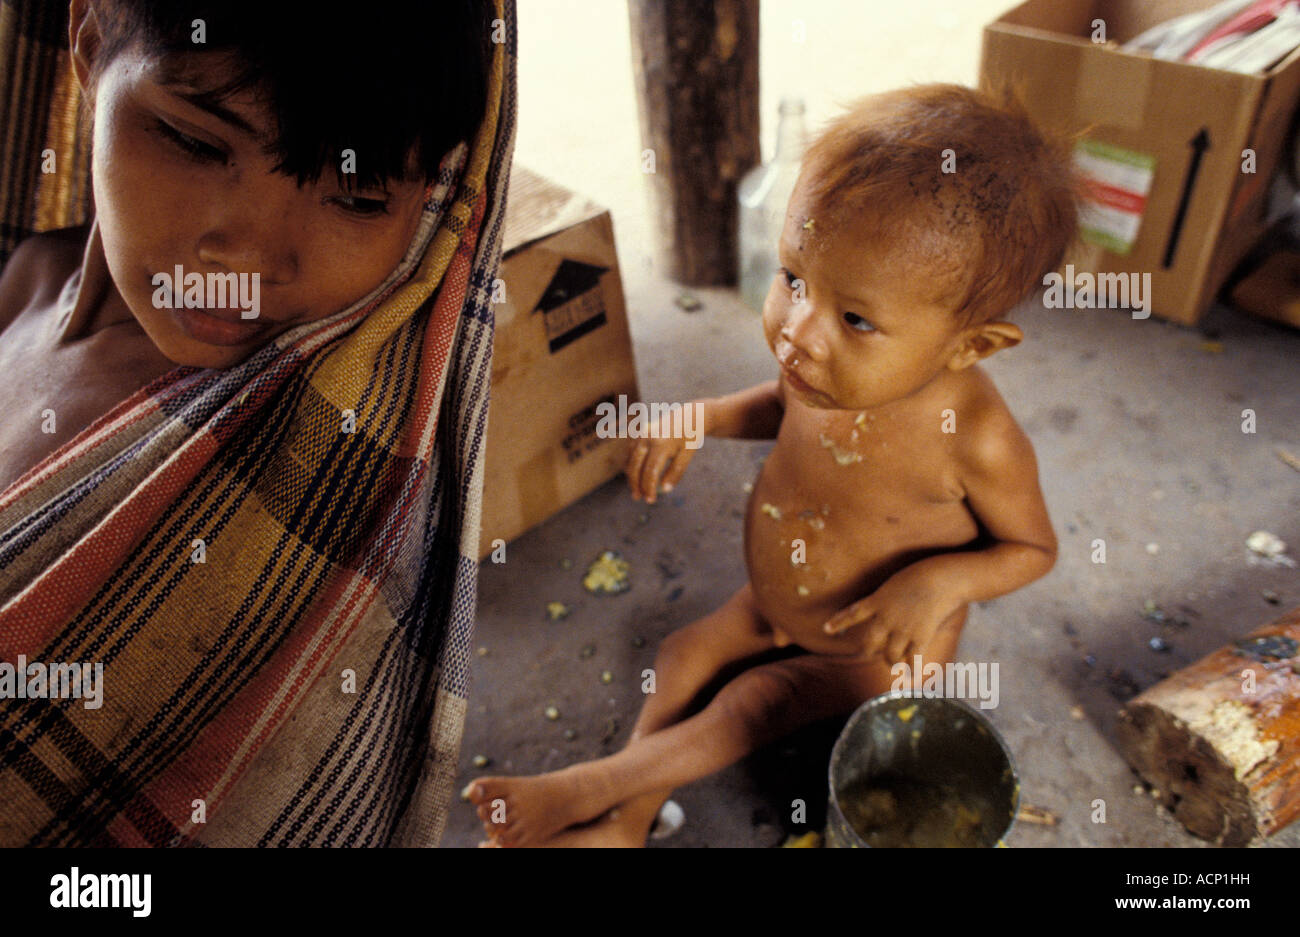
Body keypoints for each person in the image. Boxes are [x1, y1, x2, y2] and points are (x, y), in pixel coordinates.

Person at [466, 83, 1075, 847]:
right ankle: (626, 824)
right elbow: (779, 409)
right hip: (776, 597)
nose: (798, 333)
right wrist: (705, 416)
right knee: (683, 651)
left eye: (855, 318)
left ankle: (601, 789)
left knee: (753, 701)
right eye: (793, 278)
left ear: (970, 346)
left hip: (874, 646)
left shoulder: (974, 436)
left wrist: (938, 582)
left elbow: (1033, 549)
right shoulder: (830, 371)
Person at [0, 0, 515, 847]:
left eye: (357, 197)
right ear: (89, 47)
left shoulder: (295, 490)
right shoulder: (27, 274)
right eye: (197, 143)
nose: (246, 261)